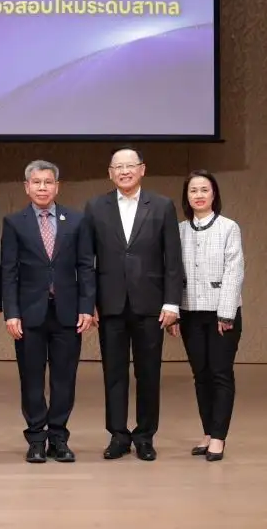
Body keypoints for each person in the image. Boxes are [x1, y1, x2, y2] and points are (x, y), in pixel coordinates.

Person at [84, 146, 182, 461]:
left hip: (151, 305)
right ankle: (118, 435)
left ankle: (144, 436)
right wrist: (89, 302)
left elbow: (173, 259)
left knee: (148, 373)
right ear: (110, 173)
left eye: (130, 166)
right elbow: (86, 260)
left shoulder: (162, 206)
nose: (124, 171)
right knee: (113, 373)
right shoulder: (95, 207)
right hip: (110, 304)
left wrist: (172, 303)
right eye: (118, 167)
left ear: (142, 169)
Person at [1, 160, 95, 463]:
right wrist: (11, 312)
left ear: (57, 186)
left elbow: (86, 267)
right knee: (31, 378)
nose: (42, 188)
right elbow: (9, 271)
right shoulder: (14, 223)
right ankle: (36, 439)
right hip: (29, 314)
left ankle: (59, 437)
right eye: (37, 182)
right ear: (26, 187)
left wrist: (87, 307)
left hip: (67, 312)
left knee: (64, 378)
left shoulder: (76, 220)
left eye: (48, 182)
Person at [178, 170, 244, 462]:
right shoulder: (180, 230)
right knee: (201, 375)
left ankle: (219, 436)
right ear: (187, 196)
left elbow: (234, 272)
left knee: (220, 373)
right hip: (190, 312)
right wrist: (174, 312)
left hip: (221, 313)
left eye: (204, 189)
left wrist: (226, 314)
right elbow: (173, 273)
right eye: (193, 190)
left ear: (214, 194)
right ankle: (208, 432)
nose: (199, 195)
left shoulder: (229, 227)